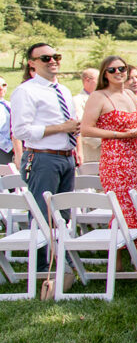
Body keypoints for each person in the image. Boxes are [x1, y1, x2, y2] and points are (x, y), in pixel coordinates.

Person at [11, 43, 79, 272]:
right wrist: (61, 127)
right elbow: (21, 131)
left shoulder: (64, 91)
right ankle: (42, 268)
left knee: (64, 212)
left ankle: (61, 262)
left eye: (55, 56)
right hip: (42, 158)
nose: (52, 61)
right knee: (42, 214)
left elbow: (68, 124)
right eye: (45, 58)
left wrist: (73, 130)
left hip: (66, 156)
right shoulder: (26, 91)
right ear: (32, 63)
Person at [80, 57, 137, 248]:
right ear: (105, 74)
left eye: (122, 68)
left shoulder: (129, 94)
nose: (119, 72)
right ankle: (127, 254)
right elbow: (86, 129)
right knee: (124, 204)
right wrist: (119, 134)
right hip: (116, 156)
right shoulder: (99, 96)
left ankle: (136, 251)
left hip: (136, 153)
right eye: (113, 70)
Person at [73, 68, 101, 163]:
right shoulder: (77, 101)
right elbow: (81, 127)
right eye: (98, 79)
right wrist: (103, 141)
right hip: (91, 154)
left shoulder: (103, 98)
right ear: (87, 80)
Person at [0, 77, 12, 165]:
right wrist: (10, 147)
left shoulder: (10, 105)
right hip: (3, 150)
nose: (1, 88)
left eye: (3, 85)